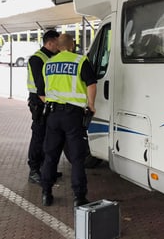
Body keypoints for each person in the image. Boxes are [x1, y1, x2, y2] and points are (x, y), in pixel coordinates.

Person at [40, 33, 97, 207]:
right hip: (73, 116)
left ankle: (46, 193)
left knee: (50, 156)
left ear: (57, 46)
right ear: (72, 45)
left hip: (52, 115)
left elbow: (43, 90)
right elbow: (91, 84)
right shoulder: (80, 61)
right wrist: (91, 105)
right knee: (77, 157)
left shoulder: (48, 64)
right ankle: (79, 196)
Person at [26, 29, 60, 184]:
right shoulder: (37, 59)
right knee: (39, 136)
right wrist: (49, 103)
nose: (59, 46)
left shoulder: (53, 57)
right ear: (50, 42)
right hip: (40, 102)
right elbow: (40, 86)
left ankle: (46, 168)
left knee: (49, 137)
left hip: (49, 101)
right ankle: (34, 170)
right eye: (57, 43)